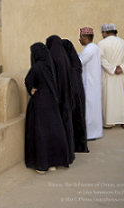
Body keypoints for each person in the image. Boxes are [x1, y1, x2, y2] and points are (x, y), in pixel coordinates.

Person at [24, 43, 70, 174]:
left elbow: (28, 81)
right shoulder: (50, 66)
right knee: (52, 131)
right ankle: (53, 162)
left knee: (41, 134)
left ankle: (42, 165)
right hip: (52, 101)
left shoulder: (37, 67)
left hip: (39, 103)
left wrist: (32, 91)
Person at [98, 24, 124, 129]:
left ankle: (109, 122)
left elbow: (101, 58)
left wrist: (111, 69)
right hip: (121, 75)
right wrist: (121, 67)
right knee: (122, 97)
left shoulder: (101, 43)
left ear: (105, 32)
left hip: (109, 75)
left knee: (109, 98)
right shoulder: (123, 42)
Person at [46, 35, 75, 164]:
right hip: (67, 99)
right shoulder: (65, 59)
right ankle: (69, 154)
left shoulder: (52, 59)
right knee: (67, 127)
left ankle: (60, 157)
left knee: (58, 129)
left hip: (58, 100)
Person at [62, 39, 89, 153]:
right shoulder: (75, 62)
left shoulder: (65, 65)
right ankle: (80, 145)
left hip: (70, 96)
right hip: (79, 95)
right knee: (79, 119)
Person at [78, 27, 103, 140]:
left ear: (85, 37)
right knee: (93, 109)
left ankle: (90, 134)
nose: (79, 40)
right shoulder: (95, 48)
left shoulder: (89, 49)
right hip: (94, 84)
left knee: (89, 109)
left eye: (80, 37)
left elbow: (80, 62)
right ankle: (94, 132)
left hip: (89, 84)